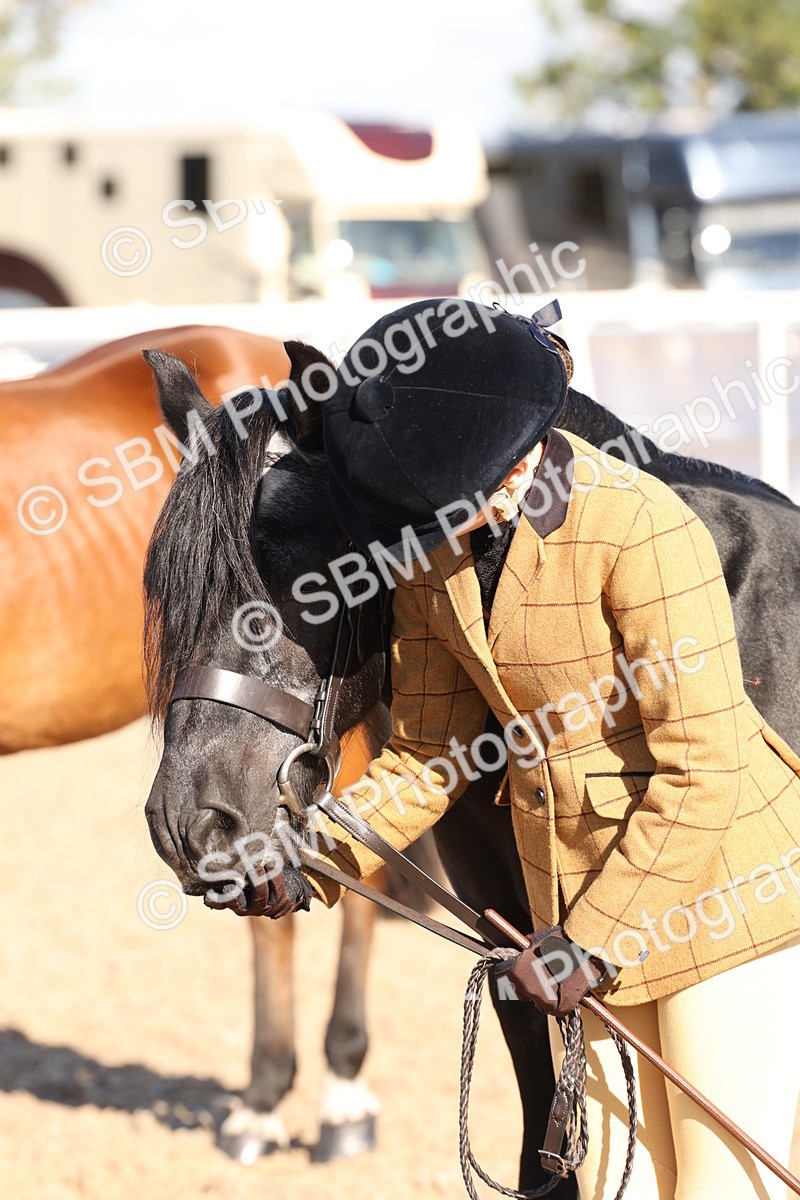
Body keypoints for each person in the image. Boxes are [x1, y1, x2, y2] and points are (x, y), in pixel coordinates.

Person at [298, 298, 800, 1199]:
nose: (426, 538)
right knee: (611, 1185)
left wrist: (592, 944)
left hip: (724, 895)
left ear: (511, 464)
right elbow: (426, 754)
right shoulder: (436, 553)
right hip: (576, 904)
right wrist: (311, 854)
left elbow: (705, 763)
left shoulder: (642, 530)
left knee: (719, 1186)